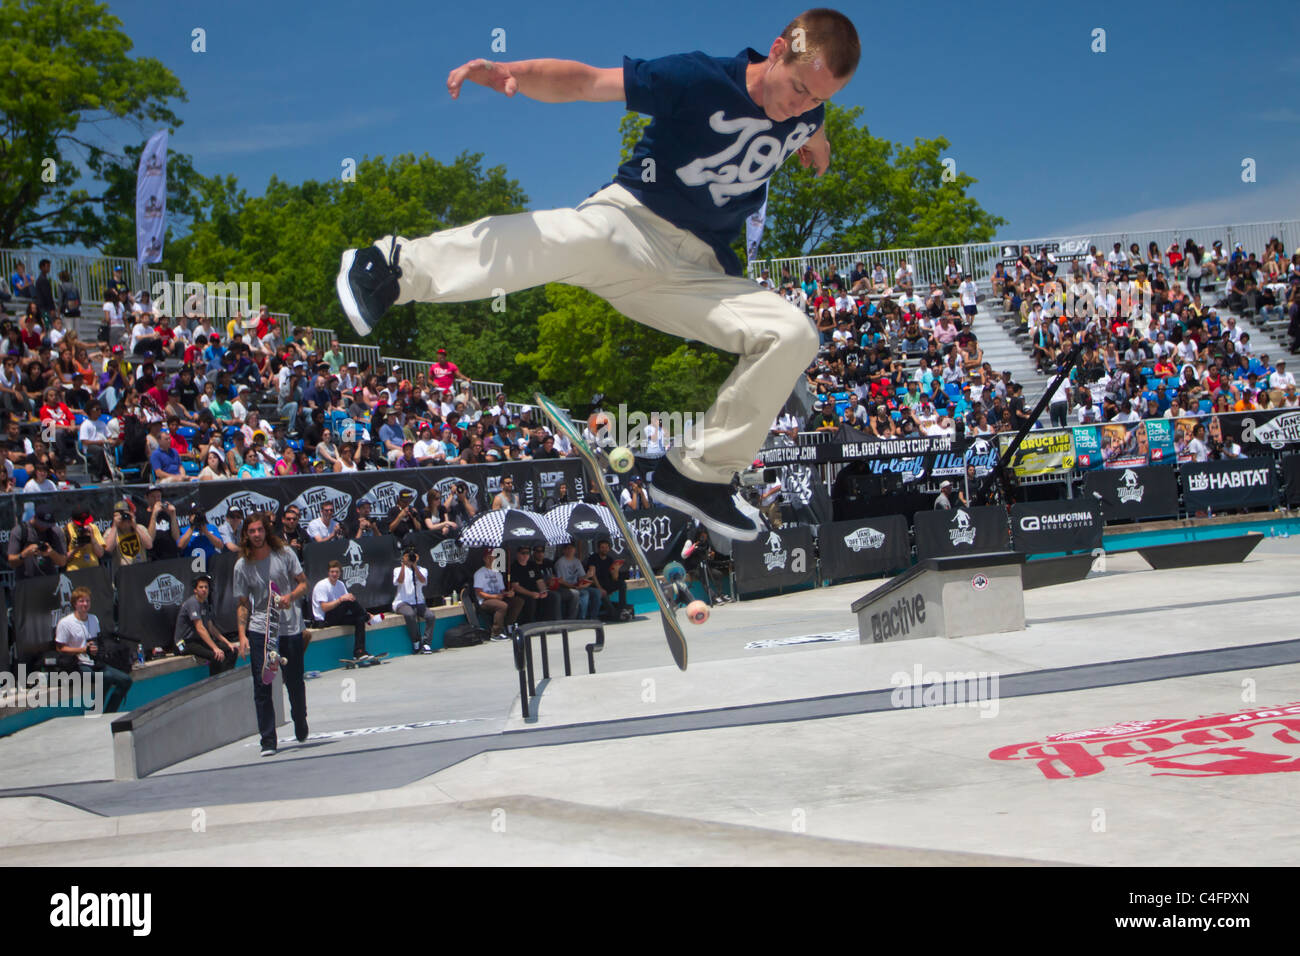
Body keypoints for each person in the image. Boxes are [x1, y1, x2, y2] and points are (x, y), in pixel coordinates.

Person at [337, 13, 859, 542]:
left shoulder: (806, 112)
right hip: (631, 226)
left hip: (697, 275)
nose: (799, 106)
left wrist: (820, 140)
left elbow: (812, 120)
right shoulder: (699, 79)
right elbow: (587, 80)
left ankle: (699, 473)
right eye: (796, 87)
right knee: (568, 238)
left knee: (795, 333)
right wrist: (509, 70)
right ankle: (392, 268)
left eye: (817, 99)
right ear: (776, 50)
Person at [234, 512, 310, 756]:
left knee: (295, 682)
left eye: (259, 530)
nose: (256, 535)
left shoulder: (284, 554)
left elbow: (303, 583)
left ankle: (300, 719)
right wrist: (242, 635)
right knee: (262, 684)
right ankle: (268, 740)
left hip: (289, 626)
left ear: (266, 531)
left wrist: (290, 597)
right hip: (260, 629)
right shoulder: (242, 565)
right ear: (246, 534)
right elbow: (243, 603)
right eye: (252, 531)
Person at [55, 587, 132, 714]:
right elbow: (60, 648)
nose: (85, 604)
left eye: (87, 601)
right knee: (106, 677)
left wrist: (96, 650)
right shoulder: (65, 623)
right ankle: (94, 712)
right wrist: (82, 650)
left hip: (94, 662)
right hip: (76, 664)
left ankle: (109, 713)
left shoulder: (93, 619)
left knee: (126, 680)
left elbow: (97, 641)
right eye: (81, 601)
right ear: (75, 603)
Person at [175, 574, 240, 676]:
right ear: (195, 590)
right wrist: (215, 648)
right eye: (201, 587)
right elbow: (200, 628)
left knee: (232, 651)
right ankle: (215, 685)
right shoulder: (193, 603)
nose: (204, 590)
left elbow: (211, 628)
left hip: (197, 641)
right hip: (184, 643)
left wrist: (228, 643)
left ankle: (226, 679)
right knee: (216, 655)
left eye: (206, 587)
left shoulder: (205, 604)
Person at [312, 560, 370, 662]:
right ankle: (367, 616)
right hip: (325, 619)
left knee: (360, 619)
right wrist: (340, 599)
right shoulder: (322, 585)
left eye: (337, 572)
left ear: (340, 573)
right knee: (347, 601)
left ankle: (359, 652)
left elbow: (349, 600)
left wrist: (347, 598)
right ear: (328, 572)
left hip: (337, 616)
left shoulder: (340, 584)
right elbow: (324, 607)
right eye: (332, 572)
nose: (334, 574)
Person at [393, 548, 437, 654]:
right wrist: (404, 565)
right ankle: (416, 641)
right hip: (402, 602)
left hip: (418, 602)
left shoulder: (422, 570)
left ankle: (426, 643)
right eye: (407, 556)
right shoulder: (397, 570)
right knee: (410, 614)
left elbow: (423, 580)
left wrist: (415, 566)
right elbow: (399, 581)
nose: (410, 558)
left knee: (431, 616)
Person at [7, 507, 68, 579]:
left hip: (49, 580)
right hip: (26, 582)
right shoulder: (19, 531)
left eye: (47, 525)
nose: (44, 527)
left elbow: (62, 562)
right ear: (34, 518)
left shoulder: (55, 532)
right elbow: (11, 562)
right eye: (42, 524)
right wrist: (24, 554)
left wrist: (52, 553)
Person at [586, 538, 630, 621]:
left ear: (609, 549)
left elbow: (615, 578)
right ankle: (615, 615)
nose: (604, 549)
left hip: (607, 583)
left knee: (622, 584)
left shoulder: (610, 559)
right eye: (602, 547)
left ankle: (622, 609)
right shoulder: (593, 558)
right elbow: (593, 575)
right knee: (603, 594)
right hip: (596, 584)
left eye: (606, 547)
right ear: (598, 548)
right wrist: (600, 588)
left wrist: (616, 569)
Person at [472, 548, 512, 639]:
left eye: (493, 557)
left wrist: (508, 593)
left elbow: (502, 591)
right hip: (485, 601)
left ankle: (509, 626)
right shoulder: (479, 573)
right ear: (484, 559)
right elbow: (479, 592)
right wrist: (494, 596)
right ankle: (496, 633)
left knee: (517, 601)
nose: (491, 559)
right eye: (488, 557)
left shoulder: (498, 573)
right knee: (502, 606)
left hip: (497, 598)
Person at [552, 542, 597, 620]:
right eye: (568, 548)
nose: (571, 550)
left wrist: (587, 576)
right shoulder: (560, 562)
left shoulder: (577, 561)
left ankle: (593, 617)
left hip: (577, 585)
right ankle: (581, 618)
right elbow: (561, 581)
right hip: (566, 587)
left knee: (596, 592)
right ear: (564, 550)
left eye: (572, 548)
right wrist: (575, 587)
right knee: (584, 593)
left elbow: (580, 577)